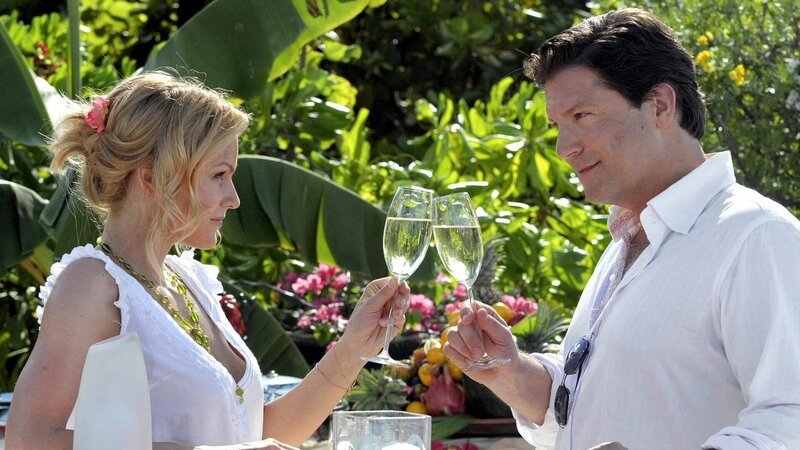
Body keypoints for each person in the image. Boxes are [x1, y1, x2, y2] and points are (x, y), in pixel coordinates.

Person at [443, 8, 800, 450]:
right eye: (558, 126)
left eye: (582, 116)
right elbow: (582, 414)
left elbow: (789, 423)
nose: (563, 148)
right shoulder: (628, 239)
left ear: (660, 106)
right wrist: (513, 373)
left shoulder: (757, 236)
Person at [5, 71, 410, 449]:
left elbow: (253, 433)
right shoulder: (92, 286)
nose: (233, 198)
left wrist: (354, 346)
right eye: (219, 175)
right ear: (152, 178)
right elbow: (29, 439)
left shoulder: (190, 278)